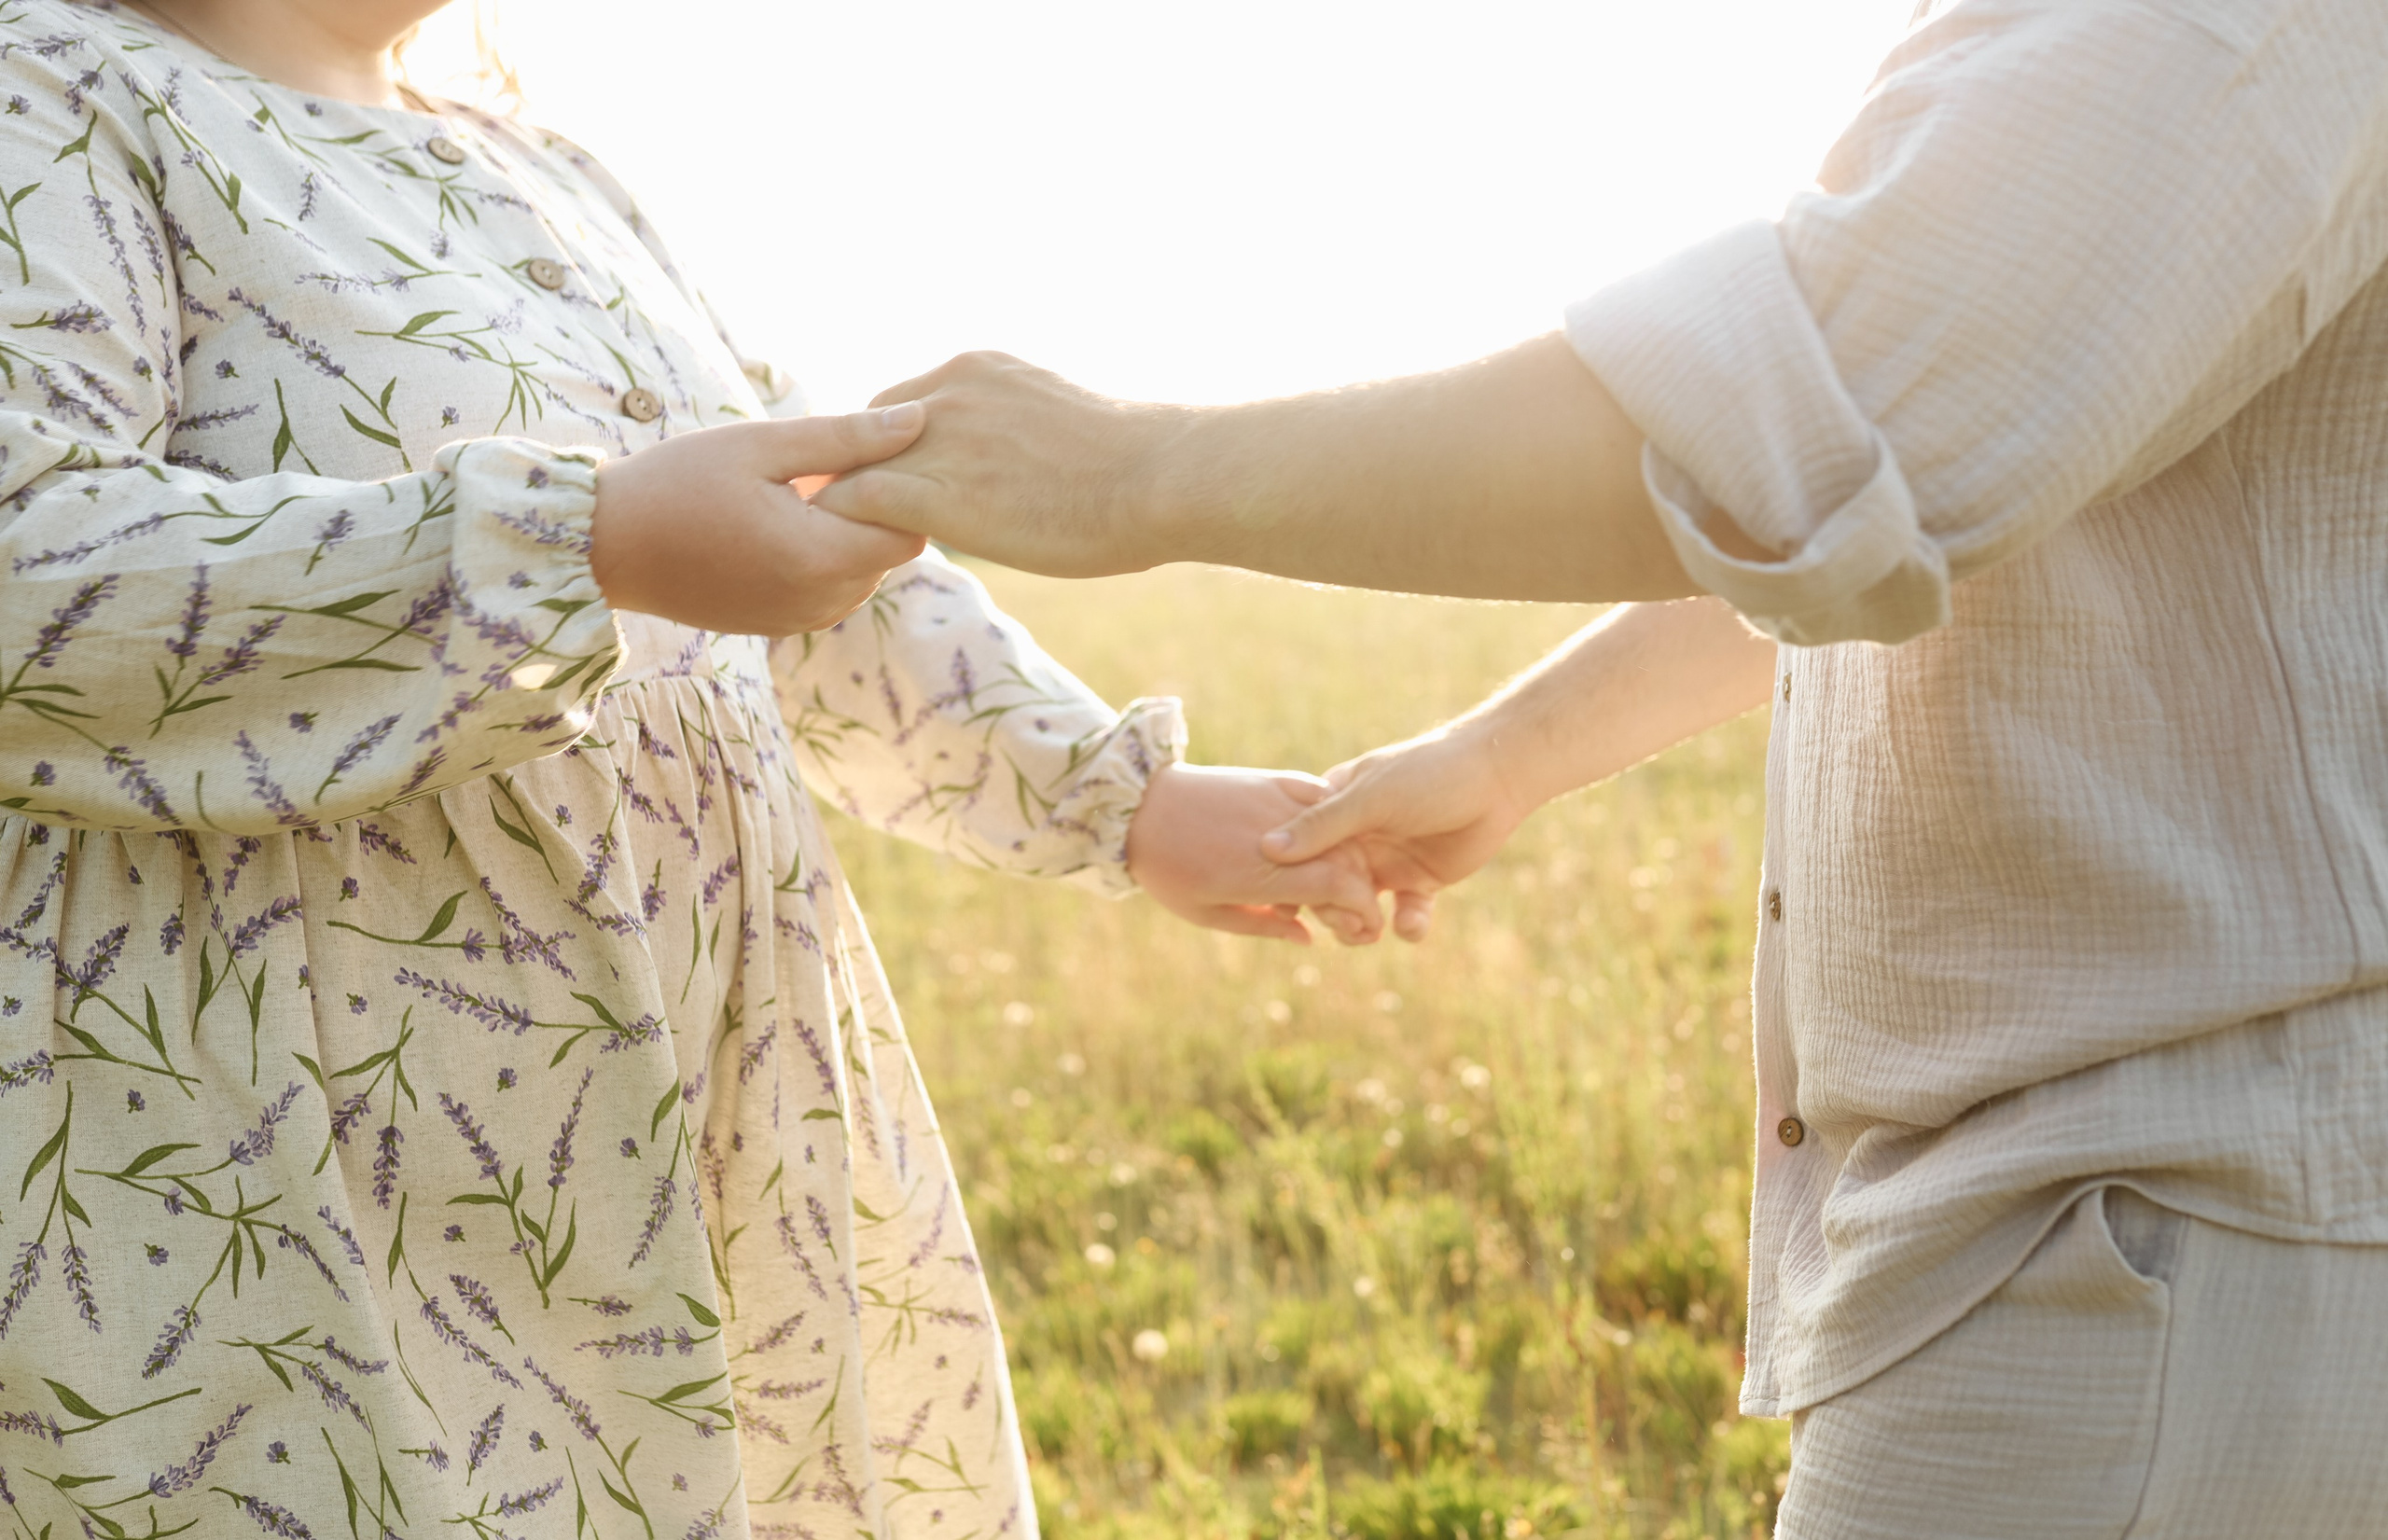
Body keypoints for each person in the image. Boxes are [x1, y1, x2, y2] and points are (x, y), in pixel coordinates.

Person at [815, 0, 2388, 1532]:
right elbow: (1946, 490)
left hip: (2163, 1245)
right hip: (2177, 1217)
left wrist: (1138, 475)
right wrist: (1507, 754)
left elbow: (1838, 413)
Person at [0, 3, 1383, 1536]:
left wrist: (1115, 802)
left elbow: (810, 537)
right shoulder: (56, 90)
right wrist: (579, 543)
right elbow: (27, 572)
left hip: (697, 1080)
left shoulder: (547, 169)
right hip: (285, 1124)